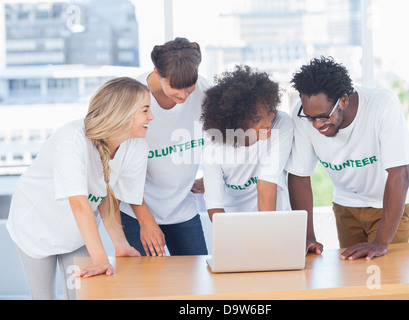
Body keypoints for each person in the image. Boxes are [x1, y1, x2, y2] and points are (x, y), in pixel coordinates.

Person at [6, 77, 153, 299]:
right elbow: (78, 203)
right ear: (124, 111)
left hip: (75, 233)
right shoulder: (72, 139)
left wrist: (120, 244)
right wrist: (100, 258)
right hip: (35, 225)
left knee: (82, 294)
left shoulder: (137, 148)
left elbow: (108, 199)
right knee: (44, 295)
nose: (151, 116)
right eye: (145, 110)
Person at [286, 56, 409, 260]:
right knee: (353, 281)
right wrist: (308, 236)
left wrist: (380, 242)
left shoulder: (383, 105)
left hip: (389, 205)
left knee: (385, 279)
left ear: (343, 101)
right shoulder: (303, 114)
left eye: (323, 117)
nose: (316, 125)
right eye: (310, 118)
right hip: (346, 206)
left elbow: (400, 174)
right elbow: (299, 176)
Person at [119, 37, 210, 256]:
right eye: (175, 88)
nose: (183, 95)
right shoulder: (130, 98)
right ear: (157, 73)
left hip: (183, 208)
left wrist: (213, 176)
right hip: (137, 209)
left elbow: (223, 136)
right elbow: (118, 168)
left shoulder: (206, 91)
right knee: (146, 286)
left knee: (197, 284)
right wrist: (146, 221)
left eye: (189, 88)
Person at [201, 65, 293, 220]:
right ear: (235, 123)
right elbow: (214, 207)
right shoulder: (214, 148)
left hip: (276, 220)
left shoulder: (280, 123)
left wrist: (266, 233)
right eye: (256, 119)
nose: (267, 123)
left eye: (269, 112)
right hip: (237, 224)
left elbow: (267, 182)